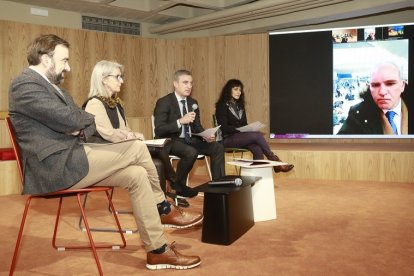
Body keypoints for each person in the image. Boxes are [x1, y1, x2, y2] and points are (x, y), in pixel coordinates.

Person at [8, 34, 202, 270]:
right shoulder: (24, 84)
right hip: (55, 167)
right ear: (46, 58)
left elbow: (78, 123)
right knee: (138, 147)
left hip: (73, 156)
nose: (68, 67)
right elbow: (71, 119)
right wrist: (76, 125)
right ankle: (162, 206)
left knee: (137, 175)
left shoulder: (54, 89)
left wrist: (76, 125)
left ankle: (157, 250)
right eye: (64, 60)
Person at [82, 60, 189, 207]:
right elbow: (109, 134)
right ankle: (167, 193)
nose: (122, 81)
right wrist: (129, 136)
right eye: (118, 77)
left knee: (158, 159)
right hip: (103, 153)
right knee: (156, 152)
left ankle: (159, 202)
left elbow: (123, 129)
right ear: (104, 79)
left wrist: (133, 134)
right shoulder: (95, 103)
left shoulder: (115, 103)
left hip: (117, 149)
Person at [153, 69, 225, 199]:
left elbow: (196, 127)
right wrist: (180, 121)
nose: (189, 86)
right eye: (185, 82)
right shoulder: (164, 102)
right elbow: (159, 129)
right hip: (170, 141)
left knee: (217, 147)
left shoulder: (193, 102)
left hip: (189, 140)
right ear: (175, 84)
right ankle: (178, 185)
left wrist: (205, 134)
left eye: (191, 83)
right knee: (191, 152)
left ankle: (218, 187)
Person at [215, 79, 294, 173]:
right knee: (257, 135)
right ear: (229, 90)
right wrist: (239, 130)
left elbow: (243, 124)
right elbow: (223, 127)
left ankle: (258, 178)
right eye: (236, 89)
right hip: (227, 139)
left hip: (239, 137)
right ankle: (274, 160)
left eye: (240, 90)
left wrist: (248, 128)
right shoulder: (221, 105)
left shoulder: (239, 106)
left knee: (257, 148)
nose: (239, 92)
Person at [338, 62, 408, 134]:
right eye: (375, 85)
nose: (382, 92)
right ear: (369, 87)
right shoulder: (359, 114)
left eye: (390, 84)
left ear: (402, 85)